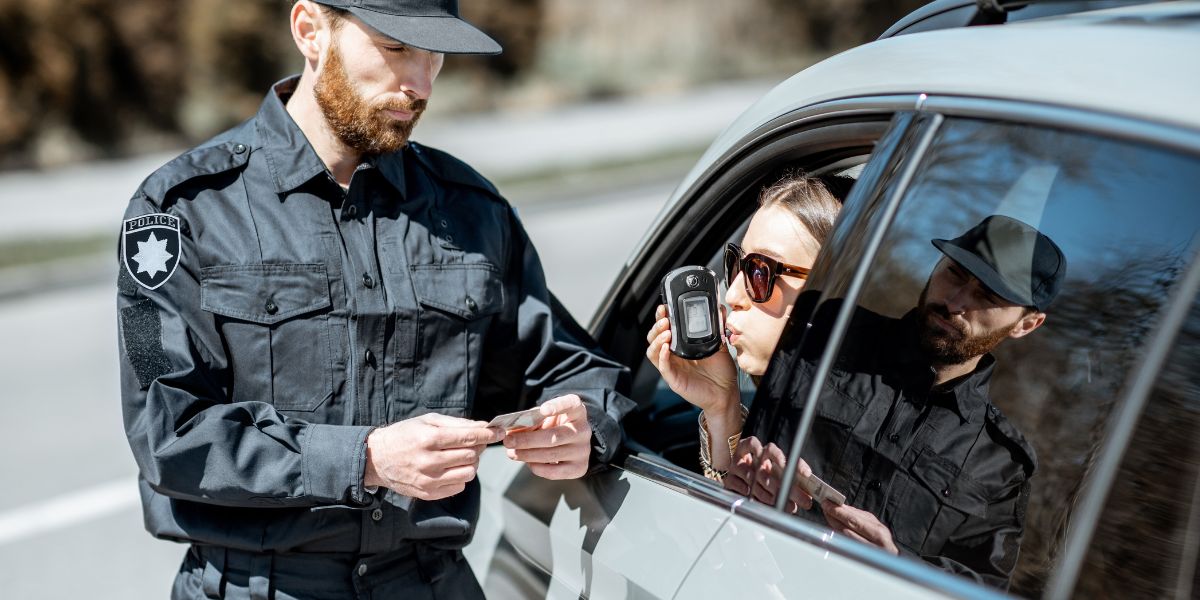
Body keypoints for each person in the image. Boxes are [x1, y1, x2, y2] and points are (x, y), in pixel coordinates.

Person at [116, 2, 632, 598]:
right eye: (395, 49)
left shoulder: (470, 212)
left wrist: (582, 426)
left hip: (430, 582)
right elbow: (169, 433)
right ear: (310, 31)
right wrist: (362, 458)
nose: (419, 84)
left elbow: (575, 370)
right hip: (255, 585)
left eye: (435, 56)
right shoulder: (182, 211)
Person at [737, 214, 1065, 589]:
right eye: (955, 274)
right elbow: (738, 447)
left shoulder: (1003, 463)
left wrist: (896, 563)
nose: (955, 302)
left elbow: (980, 590)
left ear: (1027, 324)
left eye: (987, 296)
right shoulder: (827, 332)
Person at [645, 173, 843, 479]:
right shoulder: (791, 414)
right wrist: (721, 406)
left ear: (836, 290)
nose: (732, 294)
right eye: (737, 265)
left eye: (760, 272)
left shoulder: (866, 440)